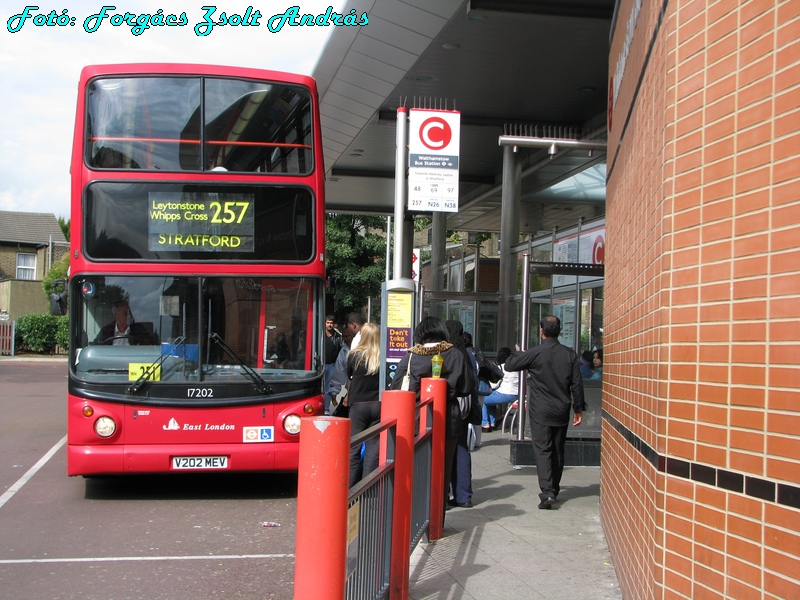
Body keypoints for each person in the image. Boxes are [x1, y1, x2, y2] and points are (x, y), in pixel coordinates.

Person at [390, 316, 474, 516]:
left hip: (418, 419)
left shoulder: (411, 356)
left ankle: (418, 513)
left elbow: (396, 386)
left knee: (419, 467)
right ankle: (437, 514)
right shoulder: (455, 353)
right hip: (449, 419)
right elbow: (467, 387)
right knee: (442, 468)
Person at [505, 315, 584, 510]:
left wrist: (518, 353)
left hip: (540, 409)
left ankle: (547, 491)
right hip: (561, 409)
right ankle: (554, 489)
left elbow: (509, 365)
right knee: (558, 449)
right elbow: (576, 384)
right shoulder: (570, 354)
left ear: (542, 331)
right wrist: (578, 408)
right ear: (559, 331)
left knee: (543, 450)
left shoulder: (535, 353)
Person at [345, 323, 381, 486]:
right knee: (374, 448)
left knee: (353, 447)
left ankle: (351, 487)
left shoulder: (354, 355)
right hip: (377, 404)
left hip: (358, 404)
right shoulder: (382, 356)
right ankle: (368, 486)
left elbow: (349, 375)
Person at [446, 321, 476, 508]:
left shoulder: (448, 354)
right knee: (461, 448)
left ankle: (444, 494)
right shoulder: (468, 354)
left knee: (447, 449)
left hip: (451, 406)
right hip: (466, 406)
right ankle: (464, 495)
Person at [481, 347, 520, 431]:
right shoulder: (517, 367)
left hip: (505, 393)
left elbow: (495, 384)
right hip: (516, 394)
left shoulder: (501, 367)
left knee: (483, 399)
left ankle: (485, 424)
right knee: (491, 399)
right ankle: (492, 422)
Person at [326, 327, 354, 414]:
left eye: (348, 336)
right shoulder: (344, 351)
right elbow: (339, 371)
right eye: (344, 337)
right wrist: (334, 390)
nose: (345, 339)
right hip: (350, 393)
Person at [323, 315, 344, 412]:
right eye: (328, 323)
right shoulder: (320, 335)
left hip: (331, 365)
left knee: (328, 388)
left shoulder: (338, 337)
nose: (329, 325)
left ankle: (326, 408)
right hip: (320, 366)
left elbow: (341, 352)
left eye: (331, 323)